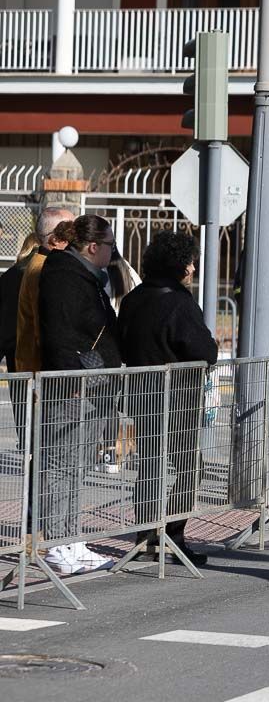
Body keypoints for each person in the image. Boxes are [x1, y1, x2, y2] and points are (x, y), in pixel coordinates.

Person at [118, 232, 218, 567]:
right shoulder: (179, 301)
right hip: (178, 399)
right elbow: (203, 350)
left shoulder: (132, 300)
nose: (193, 268)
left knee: (150, 466)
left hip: (141, 394)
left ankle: (145, 534)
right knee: (190, 465)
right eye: (190, 261)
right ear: (181, 265)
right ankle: (172, 534)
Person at [37, 214, 123, 575]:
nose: (112, 252)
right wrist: (75, 378)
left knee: (78, 466)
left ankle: (71, 540)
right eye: (109, 245)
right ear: (92, 247)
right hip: (73, 389)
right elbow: (59, 333)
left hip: (92, 388)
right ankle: (58, 543)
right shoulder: (64, 277)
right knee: (62, 465)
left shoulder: (88, 278)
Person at [14, 207, 73, 373]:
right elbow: (45, 325)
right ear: (55, 239)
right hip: (39, 372)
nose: (77, 237)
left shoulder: (46, 264)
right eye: (70, 232)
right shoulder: (42, 269)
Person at [1, 231, 39, 372]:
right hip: (33, 344)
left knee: (20, 391)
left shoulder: (9, 274)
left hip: (13, 344)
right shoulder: (43, 271)